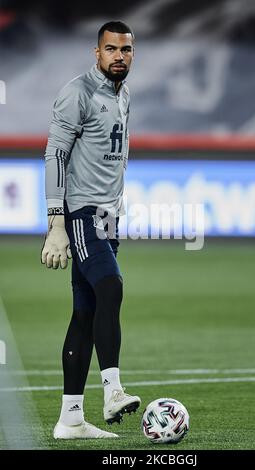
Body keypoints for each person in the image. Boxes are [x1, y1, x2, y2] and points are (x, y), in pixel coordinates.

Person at [41, 21, 141, 440]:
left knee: (84, 314)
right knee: (111, 287)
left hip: (108, 217)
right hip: (81, 213)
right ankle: (113, 390)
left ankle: (71, 420)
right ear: (96, 52)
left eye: (127, 50)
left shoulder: (124, 94)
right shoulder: (77, 93)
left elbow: (115, 156)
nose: (120, 56)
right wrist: (56, 224)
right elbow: (55, 154)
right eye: (112, 49)